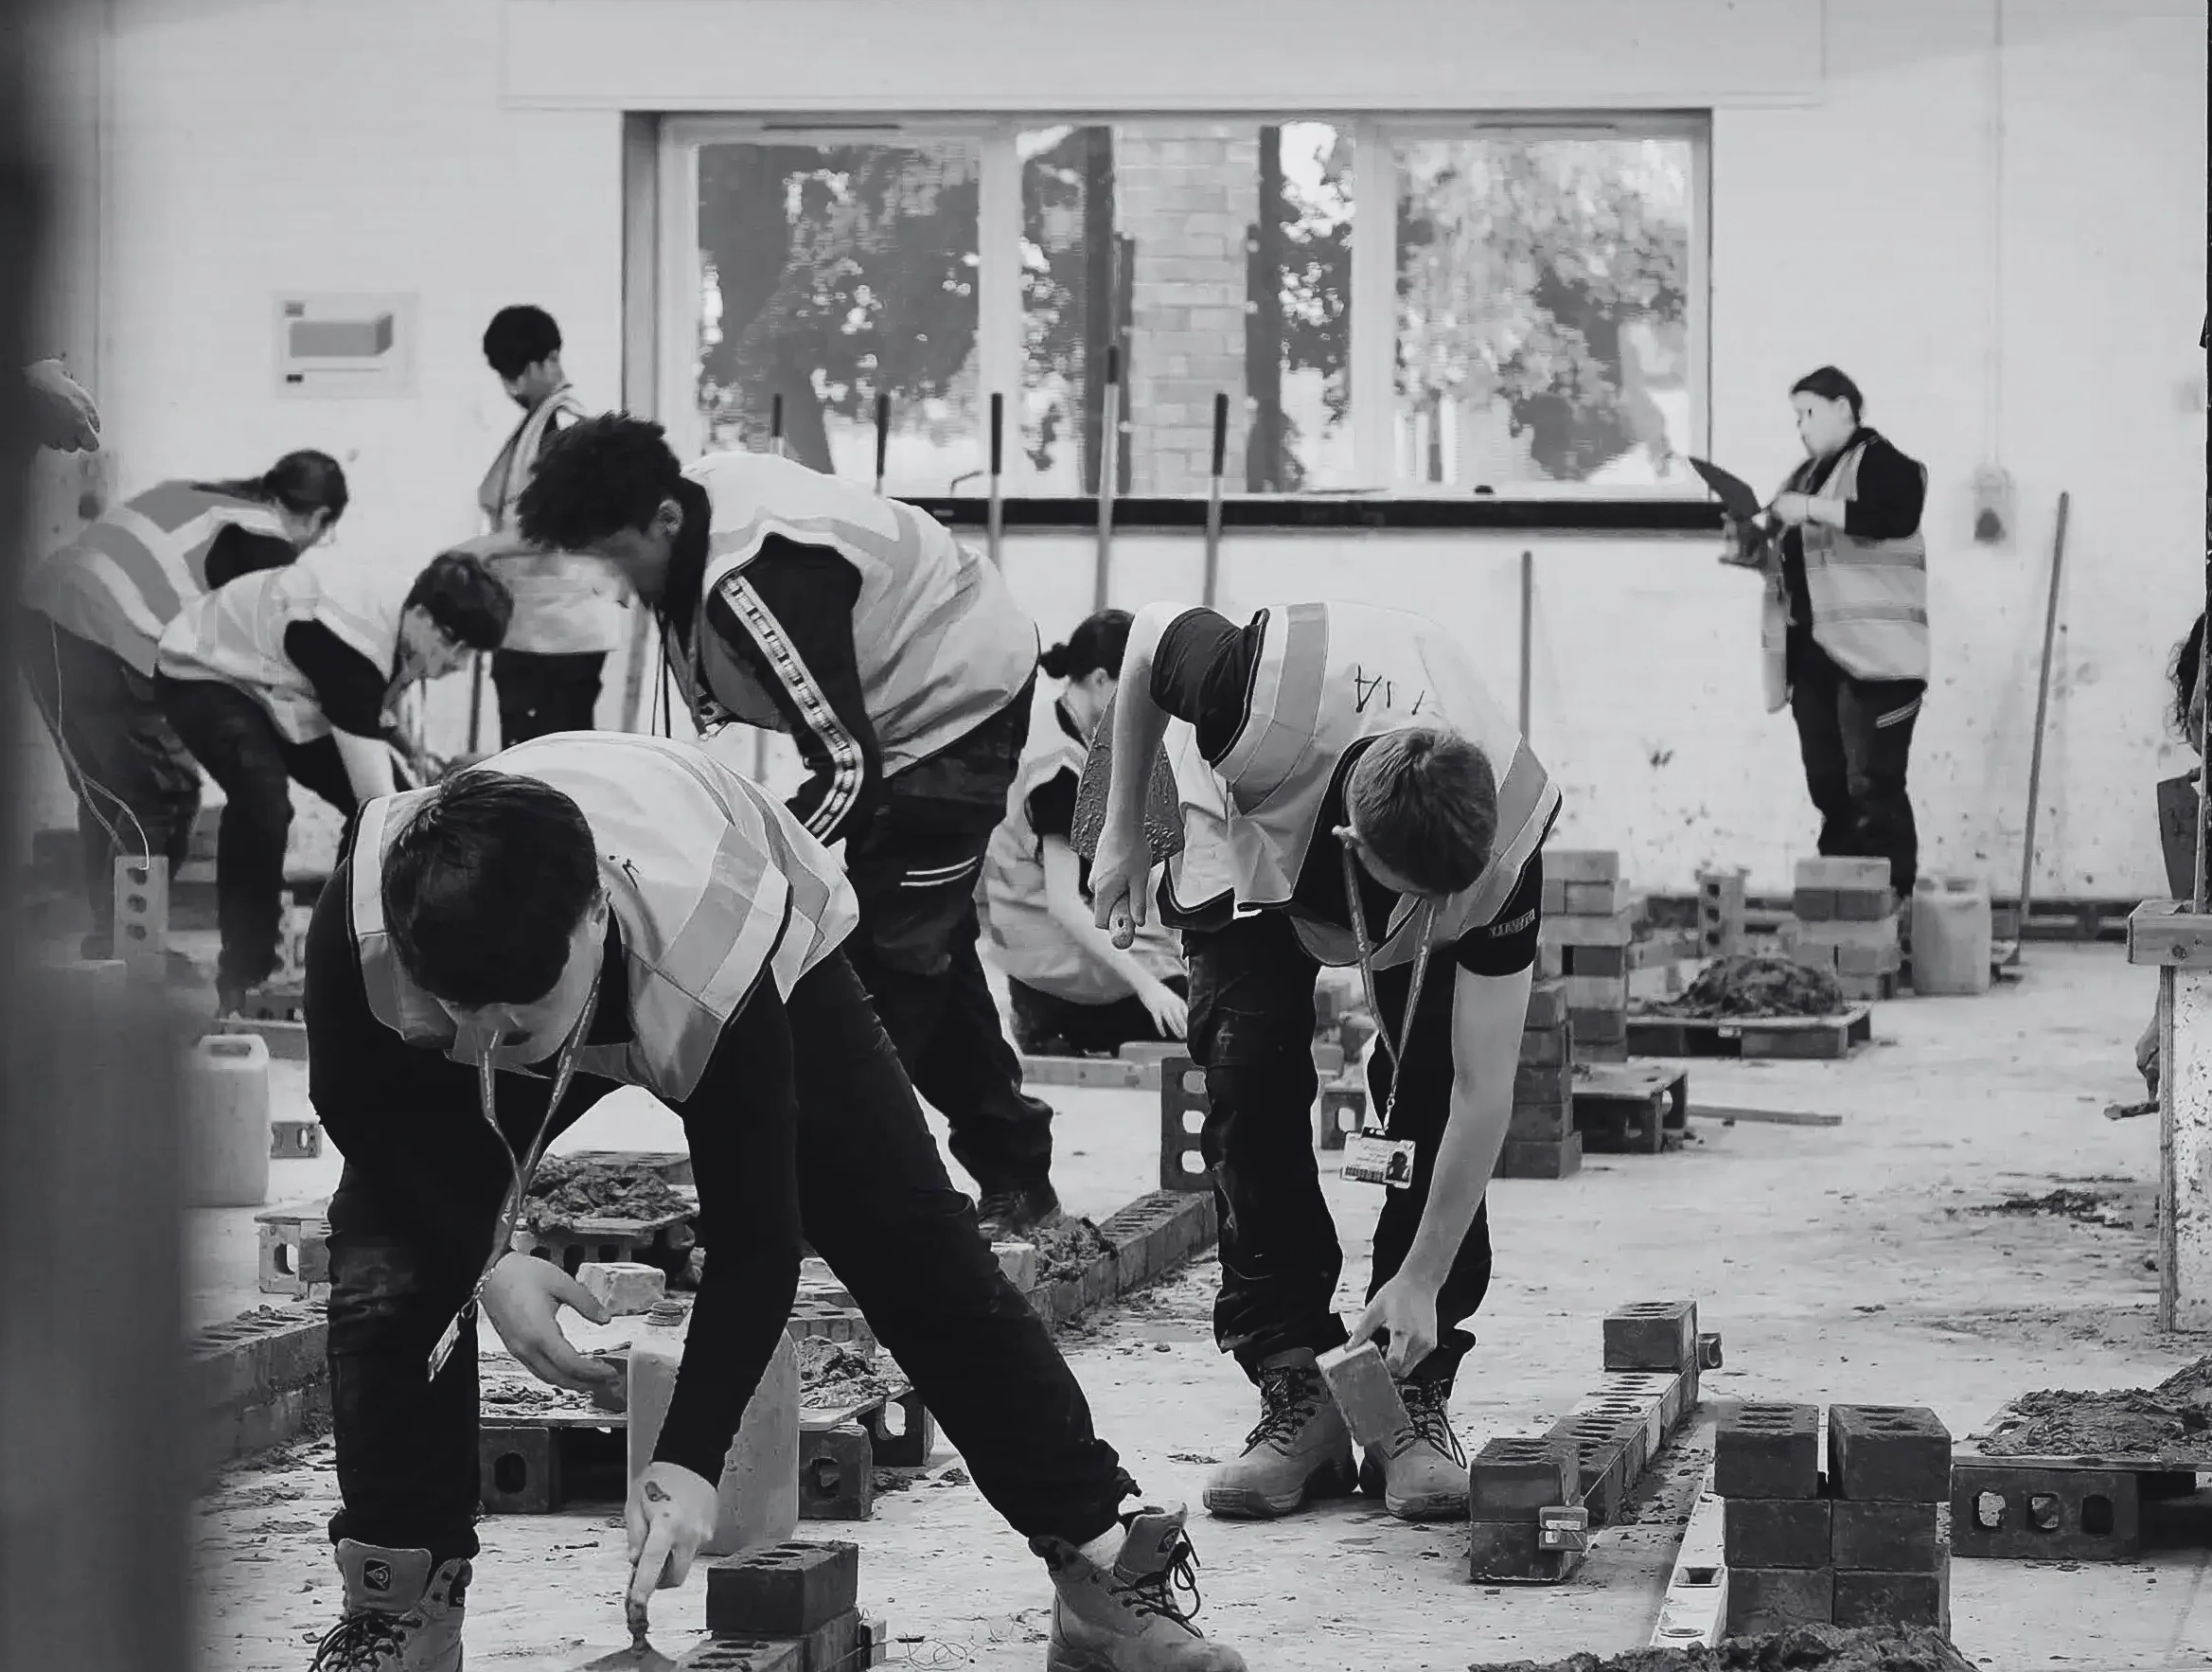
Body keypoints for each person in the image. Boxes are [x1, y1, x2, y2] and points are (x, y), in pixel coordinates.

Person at [274, 738, 1254, 1672]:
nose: (491, 1038)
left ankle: (1099, 1563)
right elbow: (372, 1131)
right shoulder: (374, 927)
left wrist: (689, 1461)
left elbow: (754, 1236)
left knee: (911, 1245)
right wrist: (489, 1256)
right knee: (387, 1266)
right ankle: (399, 1617)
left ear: (593, 918)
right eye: (461, 1016)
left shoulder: (712, 948)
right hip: (518, 949)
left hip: (750, 934)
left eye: (523, 1007)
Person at [514, 416, 1072, 1233]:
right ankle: (1018, 1173)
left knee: (878, 967)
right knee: (928, 949)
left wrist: (737, 871)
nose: (614, 584)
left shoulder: (762, 578)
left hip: (958, 704)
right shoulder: (689, 517)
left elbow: (847, 767)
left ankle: (864, 1197)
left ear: (664, 520)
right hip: (900, 711)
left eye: (613, 556)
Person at [1079, 601, 1558, 1527]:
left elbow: (1482, 1090)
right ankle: (1292, 1385)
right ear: (1353, 850)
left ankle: (1405, 1388)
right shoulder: (1245, 702)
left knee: (1425, 1080)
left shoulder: (1504, 833)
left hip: (1396, 820)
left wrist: (1419, 1275)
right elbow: (1144, 641)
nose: (1430, 921)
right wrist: (1123, 827)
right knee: (1245, 1076)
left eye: (1443, 907)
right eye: (1412, 902)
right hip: (1242, 816)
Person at [153, 548, 511, 1010]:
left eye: (471, 652)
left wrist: (407, 750)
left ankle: (343, 952)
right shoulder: (350, 646)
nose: (458, 662)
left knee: (384, 812)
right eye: (453, 643)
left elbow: (369, 706)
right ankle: (245, 973)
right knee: (264, 803)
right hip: (203, 668)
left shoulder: (403, 611)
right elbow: (378, 798)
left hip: (275, 681)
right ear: (422, 614)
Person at [16, 450, 349, 914]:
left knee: (107, 791)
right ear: (319, 518)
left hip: (42, 620)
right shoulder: (265, 539)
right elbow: (271, 658)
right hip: (110, 633)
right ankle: (133, 953)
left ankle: (111, 950)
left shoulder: (200, 496)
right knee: (164, 795)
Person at [984, 610, 1193, 1058]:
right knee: (1199, 1019)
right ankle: (1049, 1024)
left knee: (1194, 993)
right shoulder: (1057, 768)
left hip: (1041, 948)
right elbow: (1064, 902)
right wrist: (1149, 987)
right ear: (1101, 680)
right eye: (1139, 690)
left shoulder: (1063, 727)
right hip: (1051, 960)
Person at [1761, 367, 1932, 900]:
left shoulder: (1882, 463)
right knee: (1829, 785)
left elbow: (1896, 511)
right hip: (1815, 659)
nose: (1801, 427)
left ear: (1844, 407)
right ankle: (1838, 902)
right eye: (1796, 417)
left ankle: (1890, 906)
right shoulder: (1804, 475)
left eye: (1809, 413)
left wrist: (1806, 510)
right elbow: (1788, 548)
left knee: (1872, 786)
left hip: (1877, 661)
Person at [469, 307, 628, 748]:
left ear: (550, 359)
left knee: (553, 764)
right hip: (530, 627)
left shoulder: (567, 425)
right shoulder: (536, 423)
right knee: (523, 761)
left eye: (519, 373)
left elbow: (560, 526)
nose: (511, 387)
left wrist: (479, 549)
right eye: (504, 376)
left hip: (560, 634)